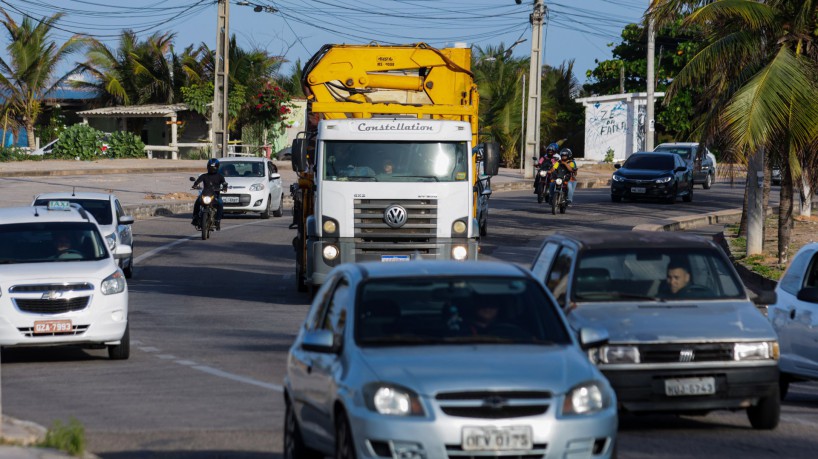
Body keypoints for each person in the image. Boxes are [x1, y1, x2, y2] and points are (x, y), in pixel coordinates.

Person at [191, 158, 228, 230]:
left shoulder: (220, 176)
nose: (212, 169)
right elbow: (198, 181)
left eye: (214, 167)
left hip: (215, 194)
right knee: (197, 202)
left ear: (217, 167)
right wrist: (195, 184)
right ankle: (195, 217)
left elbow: (224, 183)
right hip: (205, 194)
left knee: (220, 203)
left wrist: (225, 187)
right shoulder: (204, 176)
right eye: (211, 167)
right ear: (208, 167)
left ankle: (218, 220)